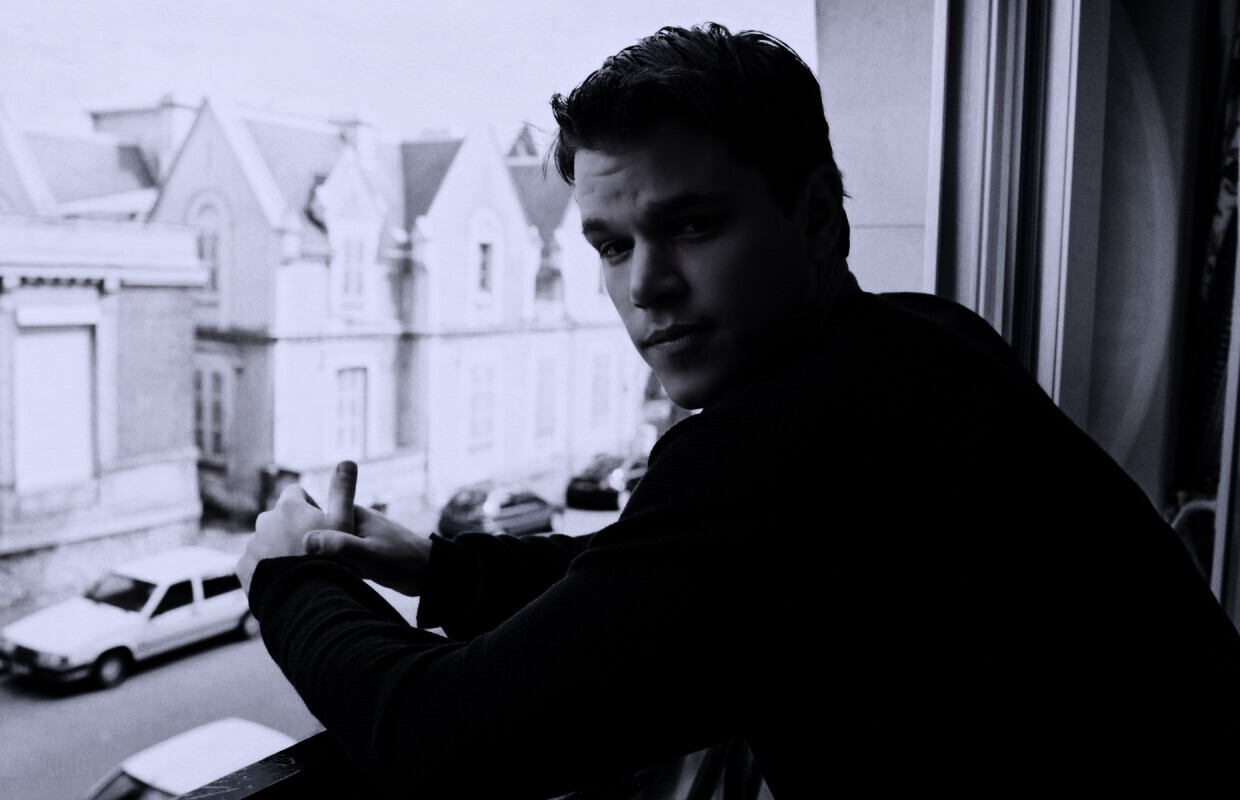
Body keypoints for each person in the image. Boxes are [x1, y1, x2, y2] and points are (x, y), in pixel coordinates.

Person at [236, 22, 1240, 797]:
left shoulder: (784, 444)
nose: (645, 285)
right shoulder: (925, 336)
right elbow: (657, 573)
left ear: (817, 218)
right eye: (612, 246)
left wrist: (286, 576)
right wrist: (440, 565)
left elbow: (433, 739)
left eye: (692, 225)